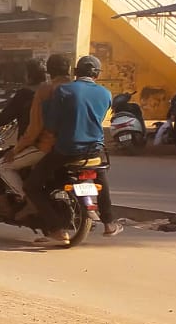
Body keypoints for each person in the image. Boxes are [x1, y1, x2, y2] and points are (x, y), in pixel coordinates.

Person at [25, 56, 112, 247]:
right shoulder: (106, 94)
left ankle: (56, 229)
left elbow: (51, 125)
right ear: (96, 74)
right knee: (100, 173)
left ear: (76, 72)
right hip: (94, 150)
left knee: (32, 185)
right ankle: (109, 223)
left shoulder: (64, 90)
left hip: (67, 150)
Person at [0, 59, 51, 201]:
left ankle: (26, 199)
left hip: (37, 145)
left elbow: (6, 118)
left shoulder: (26, 94)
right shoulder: (53, 90)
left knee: (0, 164)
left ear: (28, 75)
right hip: (57, 145)